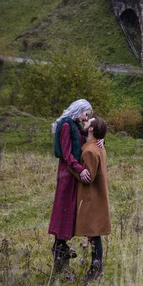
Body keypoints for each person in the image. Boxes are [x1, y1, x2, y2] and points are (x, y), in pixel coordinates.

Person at [48, 99, 93, 272]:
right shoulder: (67, 126)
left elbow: (87, 137)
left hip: (72, 174)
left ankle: (62, 250)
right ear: (79, 110)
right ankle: (60, 251)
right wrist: (80, 169)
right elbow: (66, 154)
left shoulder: (74, 125)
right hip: (68, 173)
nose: (86, 118)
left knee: (70, 211)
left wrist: (100, 140)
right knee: (64, 210)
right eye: (86, 114)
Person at [74, 117, 111, 280]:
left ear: (91, 129)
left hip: (92, 198)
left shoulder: (90, 151)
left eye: (88, 122)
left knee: (94, 234)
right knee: (94, 235)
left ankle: (96, 271)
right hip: (97, 196)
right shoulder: (98, 147)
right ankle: (96, 268)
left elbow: (87, 177)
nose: (85, 121)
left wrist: (72, 167)